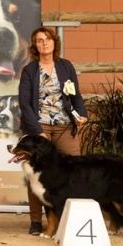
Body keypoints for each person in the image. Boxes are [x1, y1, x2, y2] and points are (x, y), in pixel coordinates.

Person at [18, 26, 88, 235]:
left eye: (47, 39)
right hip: (39, 128)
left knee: (73, 172)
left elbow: (76, 96)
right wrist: (37, 130)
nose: (44, 43)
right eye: (39, 40)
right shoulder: (29, 71)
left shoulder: (66, 67)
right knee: (35, 174)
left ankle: (69, 219)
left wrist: (82, 115)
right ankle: (35, 220)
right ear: (35, 46)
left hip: (65, 125)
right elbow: (25, 104)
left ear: (55, 43)